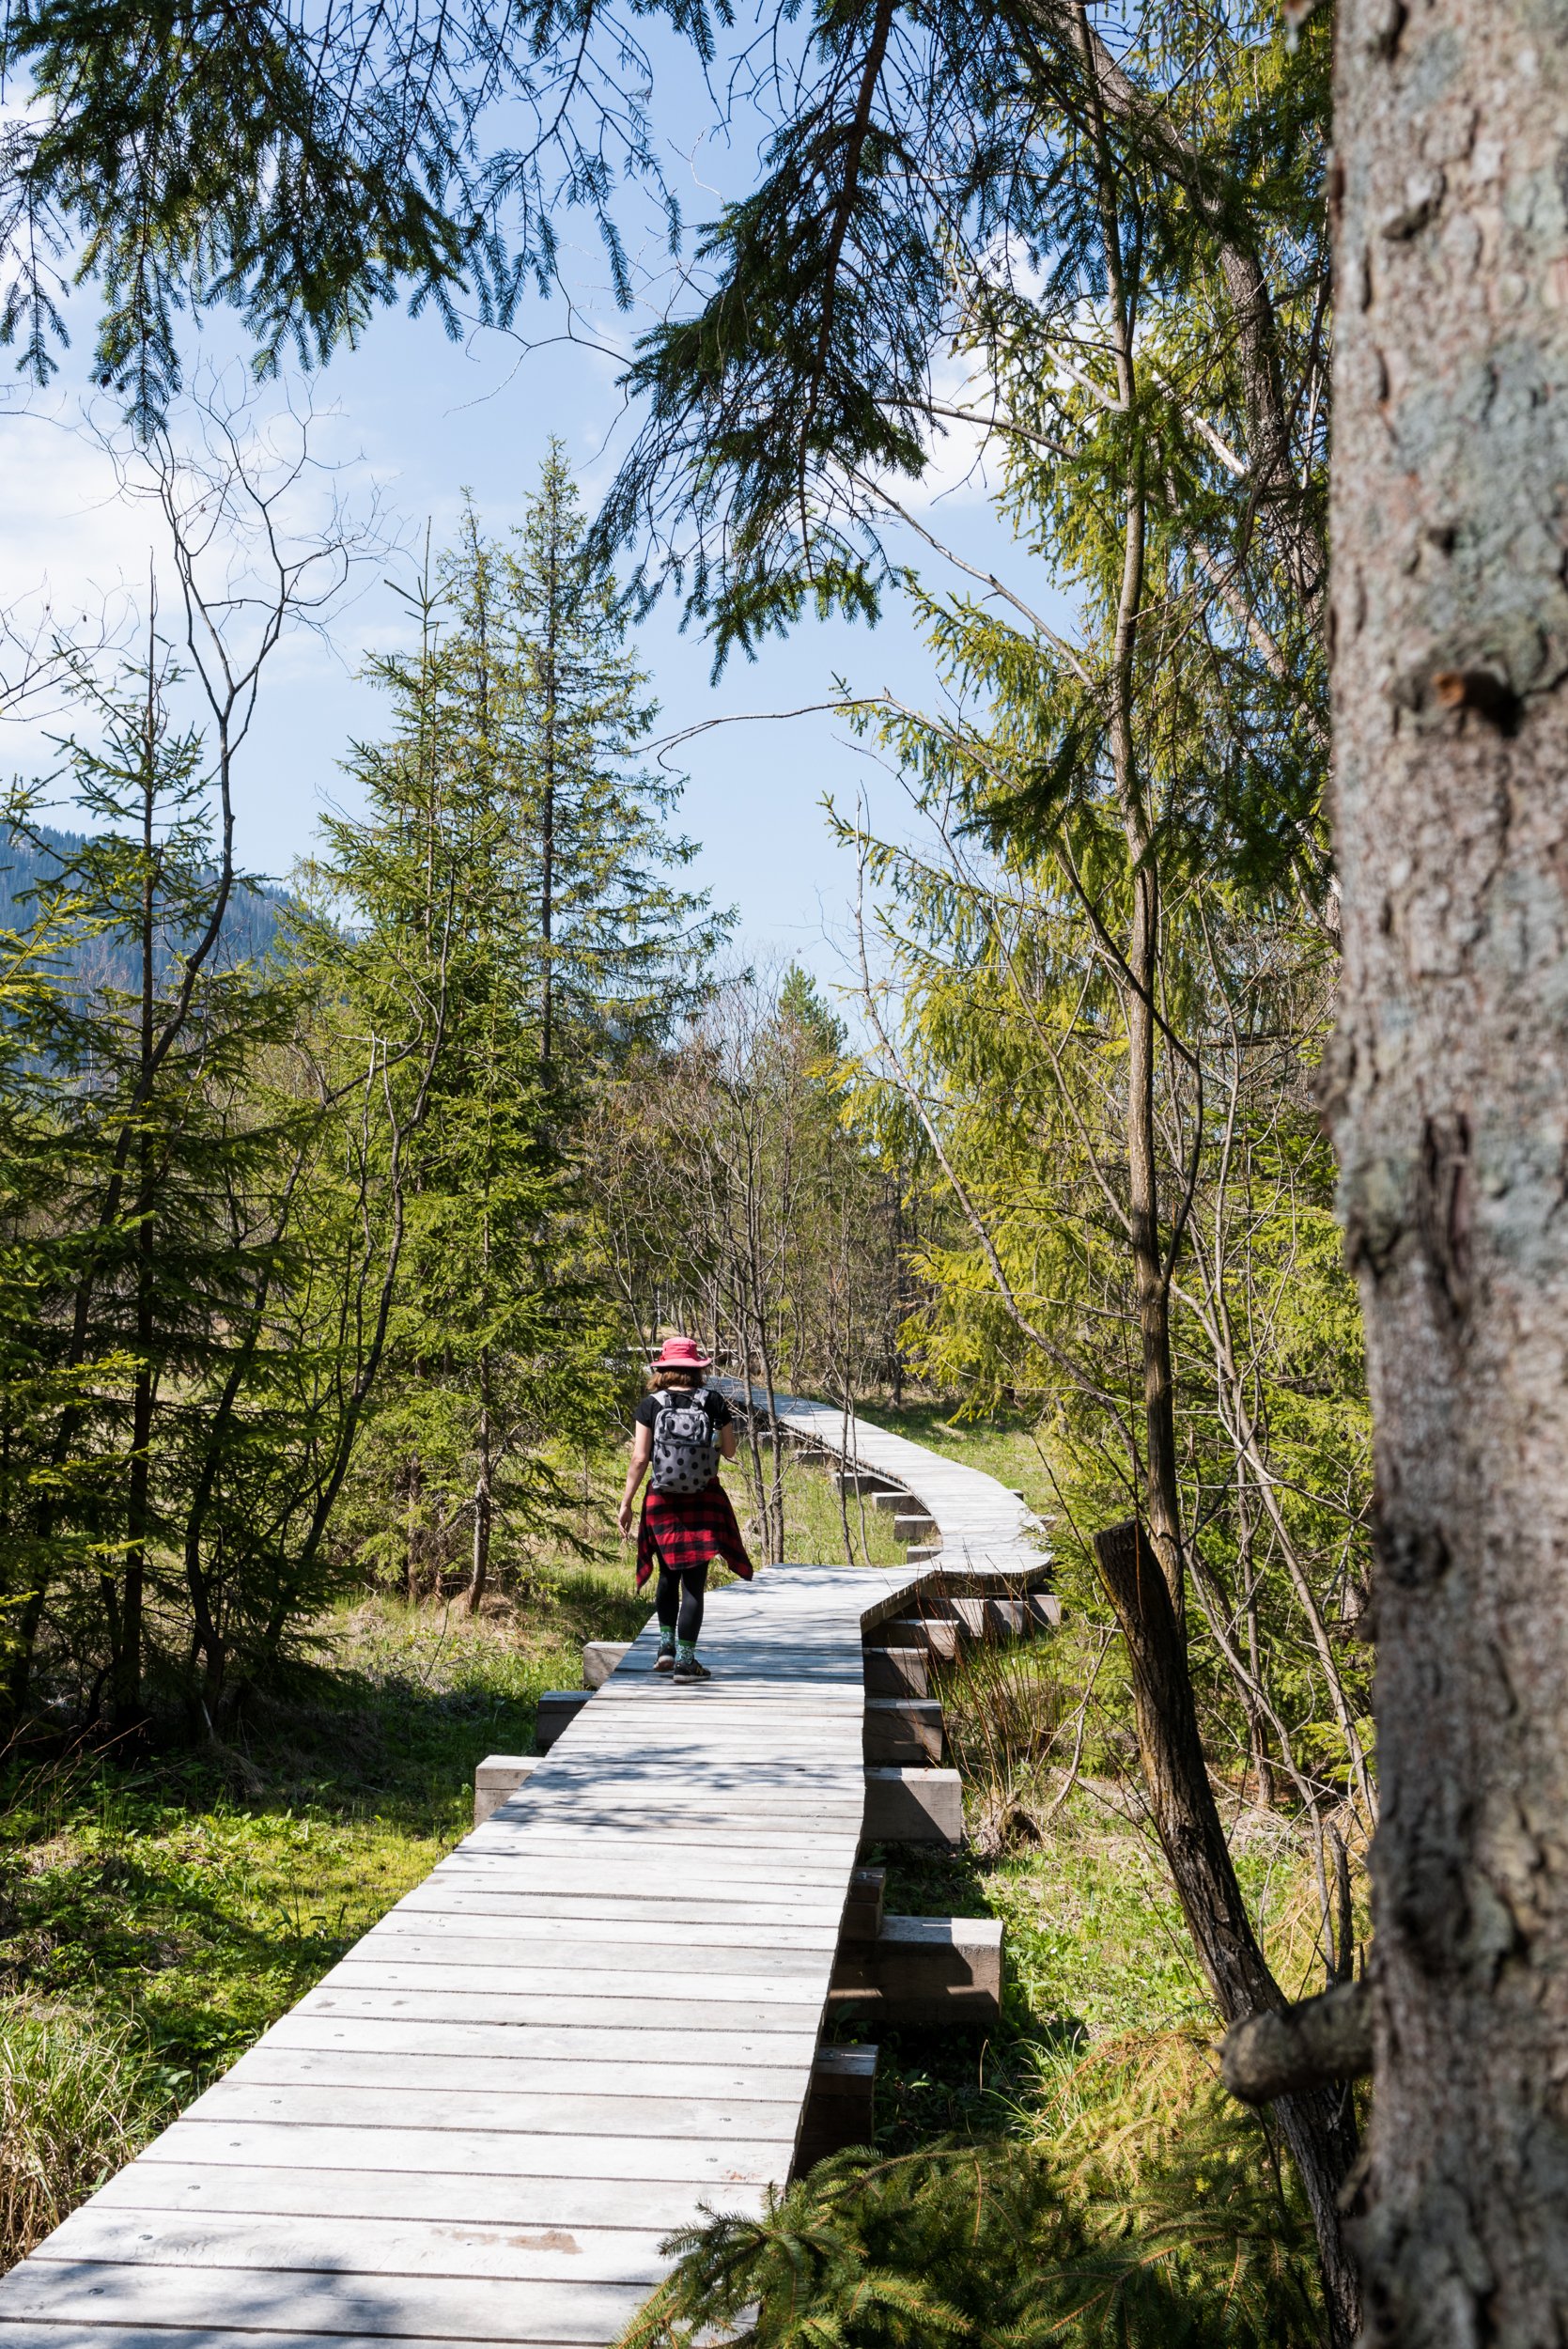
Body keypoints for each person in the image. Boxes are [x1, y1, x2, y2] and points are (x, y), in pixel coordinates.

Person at [618, 1335, 754, 1680]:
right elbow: (729, 1451)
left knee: (667, 1574)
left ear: (662, 1367)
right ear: (696, 1369)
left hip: (662, 1500)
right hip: (703, 1499)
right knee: (694, 1582)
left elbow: (639, 1458)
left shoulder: (651, 1404)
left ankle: (665, 1648)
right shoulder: (713, 1402)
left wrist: (627, 1503)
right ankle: (686, 1661)